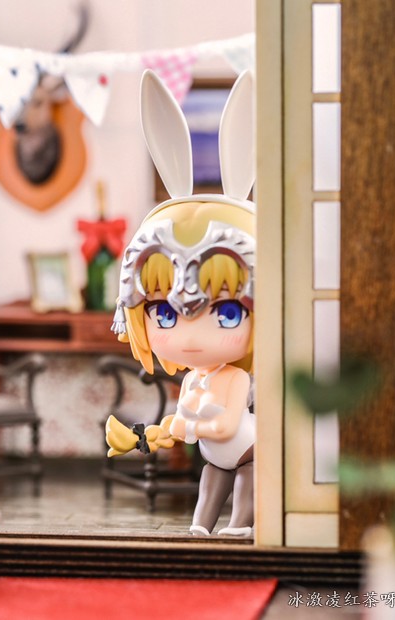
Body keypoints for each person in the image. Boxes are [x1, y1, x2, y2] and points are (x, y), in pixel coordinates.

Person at [105, 69, 256, 537]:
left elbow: (225, 423)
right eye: (165, 314)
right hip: (215, 455)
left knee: (244, 483)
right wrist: (153, 435)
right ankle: (201, 525)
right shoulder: (195, 377)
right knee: (211, 481)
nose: (190, 336)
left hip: (246, 449)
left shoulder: (236, 378)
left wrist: (192, 428)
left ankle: (241, 523)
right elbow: (185, 417)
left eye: (226, 313)